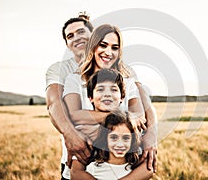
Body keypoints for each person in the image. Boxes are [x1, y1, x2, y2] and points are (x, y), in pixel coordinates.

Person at [63, 24, 157, 179]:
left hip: (126, 171)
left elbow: (138, 117)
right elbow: (73, 115)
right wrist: (121, 119)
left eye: (115, 48)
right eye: (103, 45)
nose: (108, 52)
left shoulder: (127, 82)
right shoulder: (74, 79)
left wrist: (93, 122)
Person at [70, 68, 153, 180]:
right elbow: (76, 172)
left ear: (122, 97)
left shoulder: (130, 126)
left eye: (113, 90)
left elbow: (148, 167)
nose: (107, 94)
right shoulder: (83, 130)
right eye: (100, 89)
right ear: (90, 98)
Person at [45, 12, 95, 180]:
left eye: (81, 32)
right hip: (76, 159)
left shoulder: (116, 65)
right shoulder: (60, 69)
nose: (76, 38)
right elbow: (54, 102)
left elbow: (143, 101)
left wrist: (150, 139)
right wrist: (70, 135)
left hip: (117, 162)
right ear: (67, 44)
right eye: (70, 36)